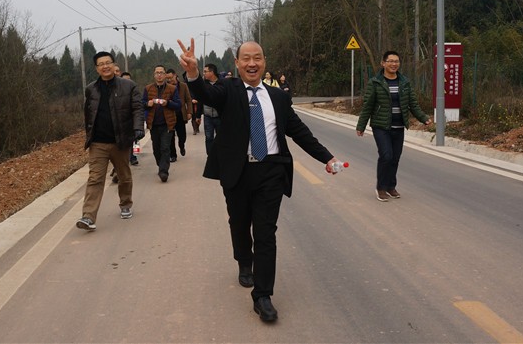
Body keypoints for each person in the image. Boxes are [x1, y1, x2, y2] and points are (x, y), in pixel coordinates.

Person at [178, 38, 341, 323]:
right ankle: (244, 261)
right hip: (238, 171)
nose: (252, 63)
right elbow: (205, 93)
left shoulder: (278, 97)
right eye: (246, 58)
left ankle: (263, 295)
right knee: (239, 223)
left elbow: (298, 131)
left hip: (271, 171)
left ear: (264, 62)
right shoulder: (228, 89)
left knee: (266, 233)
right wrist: (193, 73)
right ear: (237, 63)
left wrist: (326, 157)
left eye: (257, 58)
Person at [76, 52, 144, 231]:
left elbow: (137, 108)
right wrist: (89, 135)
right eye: (101, 64)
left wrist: (138, 127)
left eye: (108, 63)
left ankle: (126, 204)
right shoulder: (91, 89)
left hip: (120, 141)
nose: (105, 66)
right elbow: (88, 113)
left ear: (114, 65)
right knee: (95, 178)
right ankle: (88, 216)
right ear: (96, 68)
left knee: (124, 176)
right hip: (98, 142)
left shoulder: (128, 86)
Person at [356, 50, 431, 202]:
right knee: (386, 156)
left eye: (396, 61)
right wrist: (361, 126)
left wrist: (423, 118)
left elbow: (412, 104)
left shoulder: (404, 82)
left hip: (398, 126)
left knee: (395, 158)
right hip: (381, 126)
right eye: (390, 61)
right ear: (383, 63)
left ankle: (391, 186)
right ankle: (381, 188)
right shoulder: (375, 82)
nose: (394, 64)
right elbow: (368, 105)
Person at [142, 64, 180, 182]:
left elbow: (178, 104)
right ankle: (161, 165)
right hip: (153, 124)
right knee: (156, 149)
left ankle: (164, 171)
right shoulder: (148, 88)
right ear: (154, 75)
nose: (159, 75)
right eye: (157, 73)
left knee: (165, 148)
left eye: (161, 73)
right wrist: (147, 104)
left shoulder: (172, 89)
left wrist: (167, 103)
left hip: (167, 124)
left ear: (165, 75)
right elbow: (141, 103)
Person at [166, 68, 193, 161]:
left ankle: (181, 146)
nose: (169, 80)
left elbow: (188, 99)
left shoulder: (183, 86)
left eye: (171, 77)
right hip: (170, 114)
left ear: (175, 75)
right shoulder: (166, 87)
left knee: (182, 135)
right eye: (167, 78)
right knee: (170, 136)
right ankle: (173, 155)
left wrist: (189, 112)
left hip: (180, 114)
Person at [201, 63, 221, 156]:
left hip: (220, 116)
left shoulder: (222, 83)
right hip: (208, 116)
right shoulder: (203, 85)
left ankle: (220, 156)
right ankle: (210, 156)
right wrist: (197, 115)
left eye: (205, 71)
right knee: (209, 137)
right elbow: (200, 100)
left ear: (212, 72)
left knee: (221, 137)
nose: (204, 73)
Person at [121, 72, 140, 166]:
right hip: (122, 121)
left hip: (133, 120)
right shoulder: (117, 93)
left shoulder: (134, 92)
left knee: (135, 140)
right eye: (124, 80)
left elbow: (139, 107)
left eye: (129, 80)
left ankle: (134, 157)